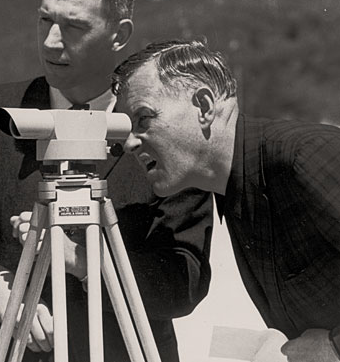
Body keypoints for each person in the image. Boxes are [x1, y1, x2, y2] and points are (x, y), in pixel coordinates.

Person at [0, 0, 213, 362]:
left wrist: (85, 264)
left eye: (74, 26)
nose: (51, 41)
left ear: (120, 34)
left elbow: (186, 277)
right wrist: (2, 291)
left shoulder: (165, 131)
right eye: (45, 19)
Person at [112, 39, 340, 362]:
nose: (129, 144)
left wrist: (334, 346)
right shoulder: (234, 191)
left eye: (143, 118)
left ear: (204, 107)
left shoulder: (303, 157)